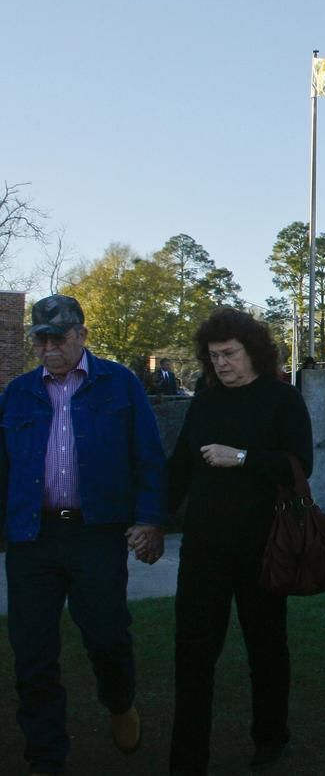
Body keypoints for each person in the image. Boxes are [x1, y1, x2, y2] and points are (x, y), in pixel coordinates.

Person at [0, 294, 167, 775]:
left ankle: (119, 701)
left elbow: (149, 457)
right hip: (33, 538)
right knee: (31, 649)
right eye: (41, 339)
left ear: (82, 336)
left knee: (107, 635)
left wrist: (150, 518)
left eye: (58, 338)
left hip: (96, 533)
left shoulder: (119, 385)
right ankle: (46, 754)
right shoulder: (18, 393)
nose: (48, 347)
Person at [166, 308, 314, 773]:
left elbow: (300, 465)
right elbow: (180, 467)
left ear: (254, 351)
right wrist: (151, 520)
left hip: (263, 547)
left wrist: (242, 457)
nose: (221, 364)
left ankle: (271, 737)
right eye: (213, 356)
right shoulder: (206, 402)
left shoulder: (282, 400)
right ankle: (187, 758)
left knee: (266, 648)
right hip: (204, 548)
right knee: (192, 654)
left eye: (229, 354)